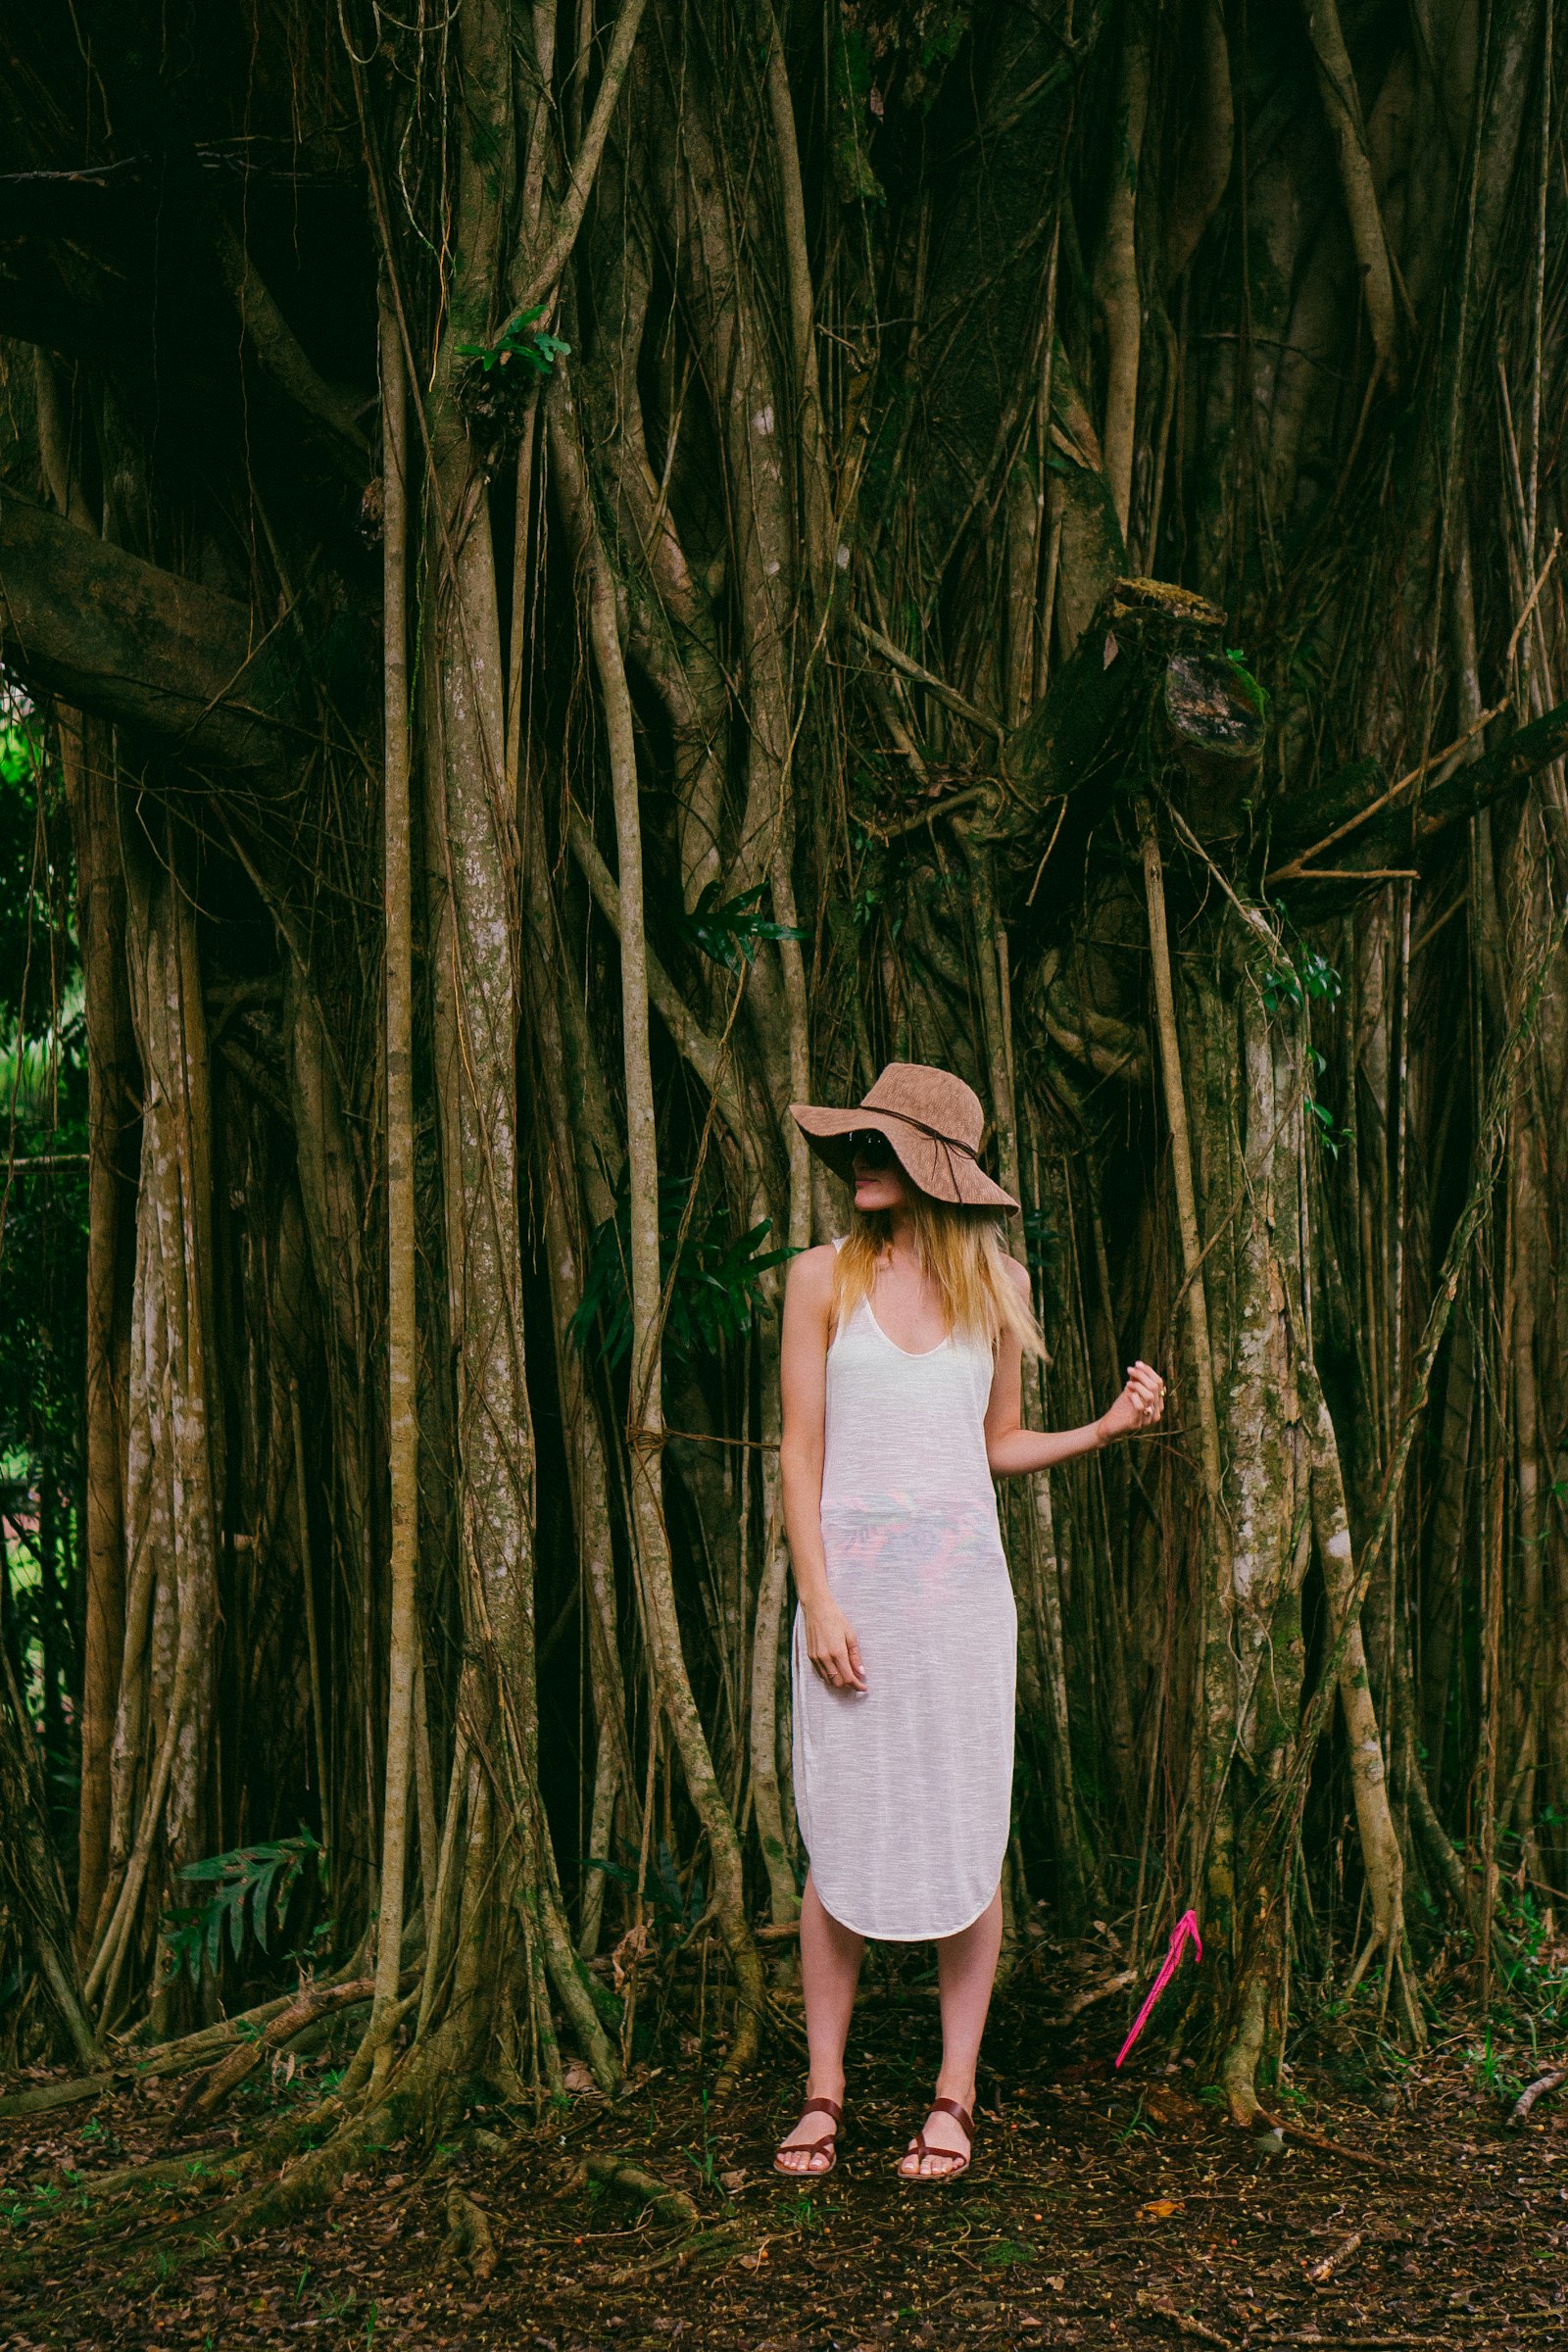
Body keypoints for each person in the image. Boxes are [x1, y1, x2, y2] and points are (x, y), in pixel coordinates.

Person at [773, 1061, 1164, 2181]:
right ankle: (824, 2090)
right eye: (856, 1141)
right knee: (838, 1835)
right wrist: (816, 1597)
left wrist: (1099, 1430)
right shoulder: (817, 1279)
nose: (859, 1158)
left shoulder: (1000, 1285)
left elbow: (992, 1447)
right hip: (851, 1603)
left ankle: (953, 2093)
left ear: (932, 1170)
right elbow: (800, 1453)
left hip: (957, 1609)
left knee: (963, 1833)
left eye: (881, 1146)